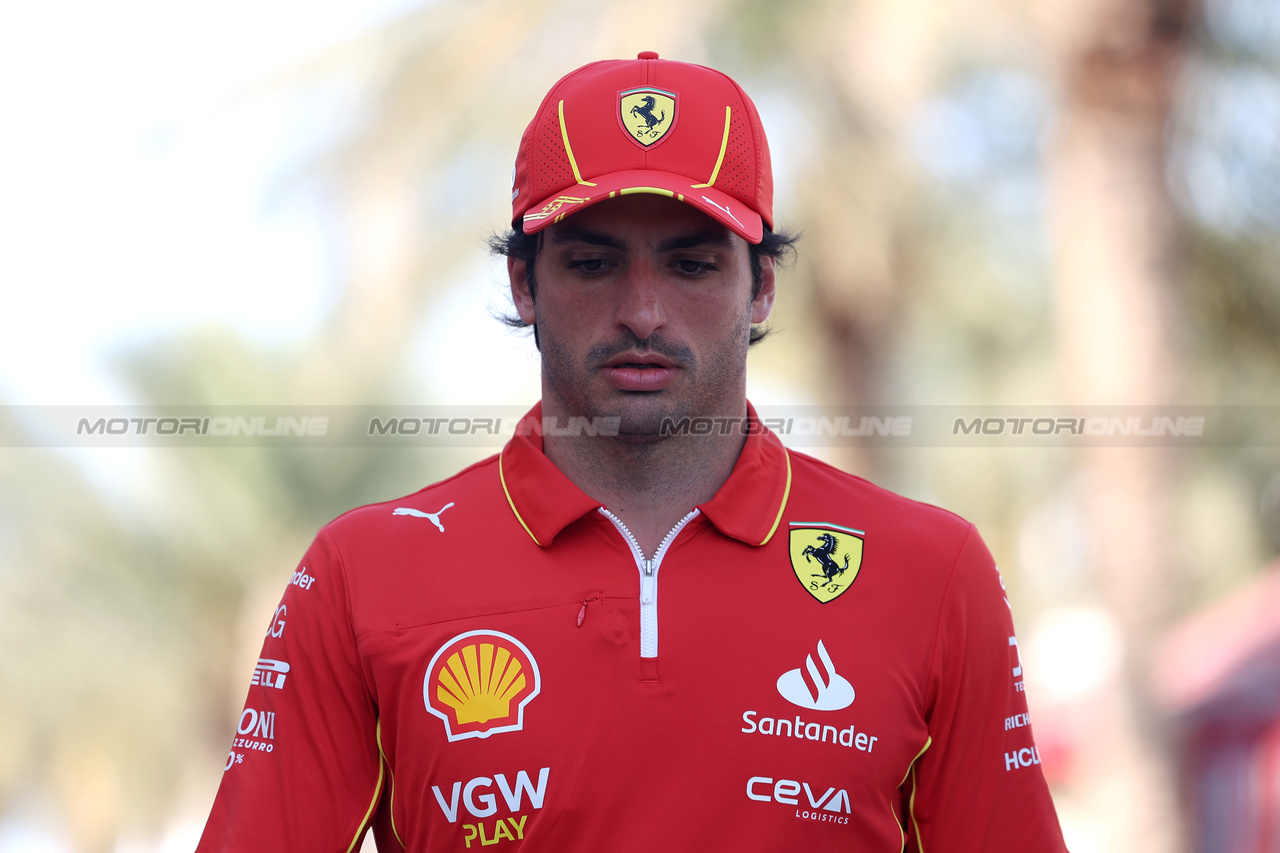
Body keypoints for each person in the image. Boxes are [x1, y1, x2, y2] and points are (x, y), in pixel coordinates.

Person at [197, 52, 1068, 852]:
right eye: (592, 263)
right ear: (523, 283)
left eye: (691, 266)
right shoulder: (365, 573)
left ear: (760, 286)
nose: (644, 312)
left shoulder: (931, 570)